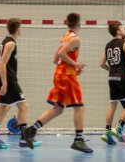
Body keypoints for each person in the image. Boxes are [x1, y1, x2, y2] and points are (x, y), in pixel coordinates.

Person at [22, 13, 93, 153]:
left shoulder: (65, 36)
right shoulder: (75, 39)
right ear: (79, 24)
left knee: (58, 108)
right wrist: (76, 65)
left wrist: (73, 66)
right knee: (79, 107)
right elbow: (61, 54)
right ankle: (79, 140)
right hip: (67, 77)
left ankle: (31, 130)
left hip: (60, 74)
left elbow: (55, 59)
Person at [0, 18, 32, 149]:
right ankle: (24, 139)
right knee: (23, 106)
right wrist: (5, 84)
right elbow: (2, 64)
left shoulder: (6, 41)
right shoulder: (10, 43)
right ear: (18, 28)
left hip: (4, 79)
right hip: (9, 79)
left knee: (1, 107)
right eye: (21, 27)